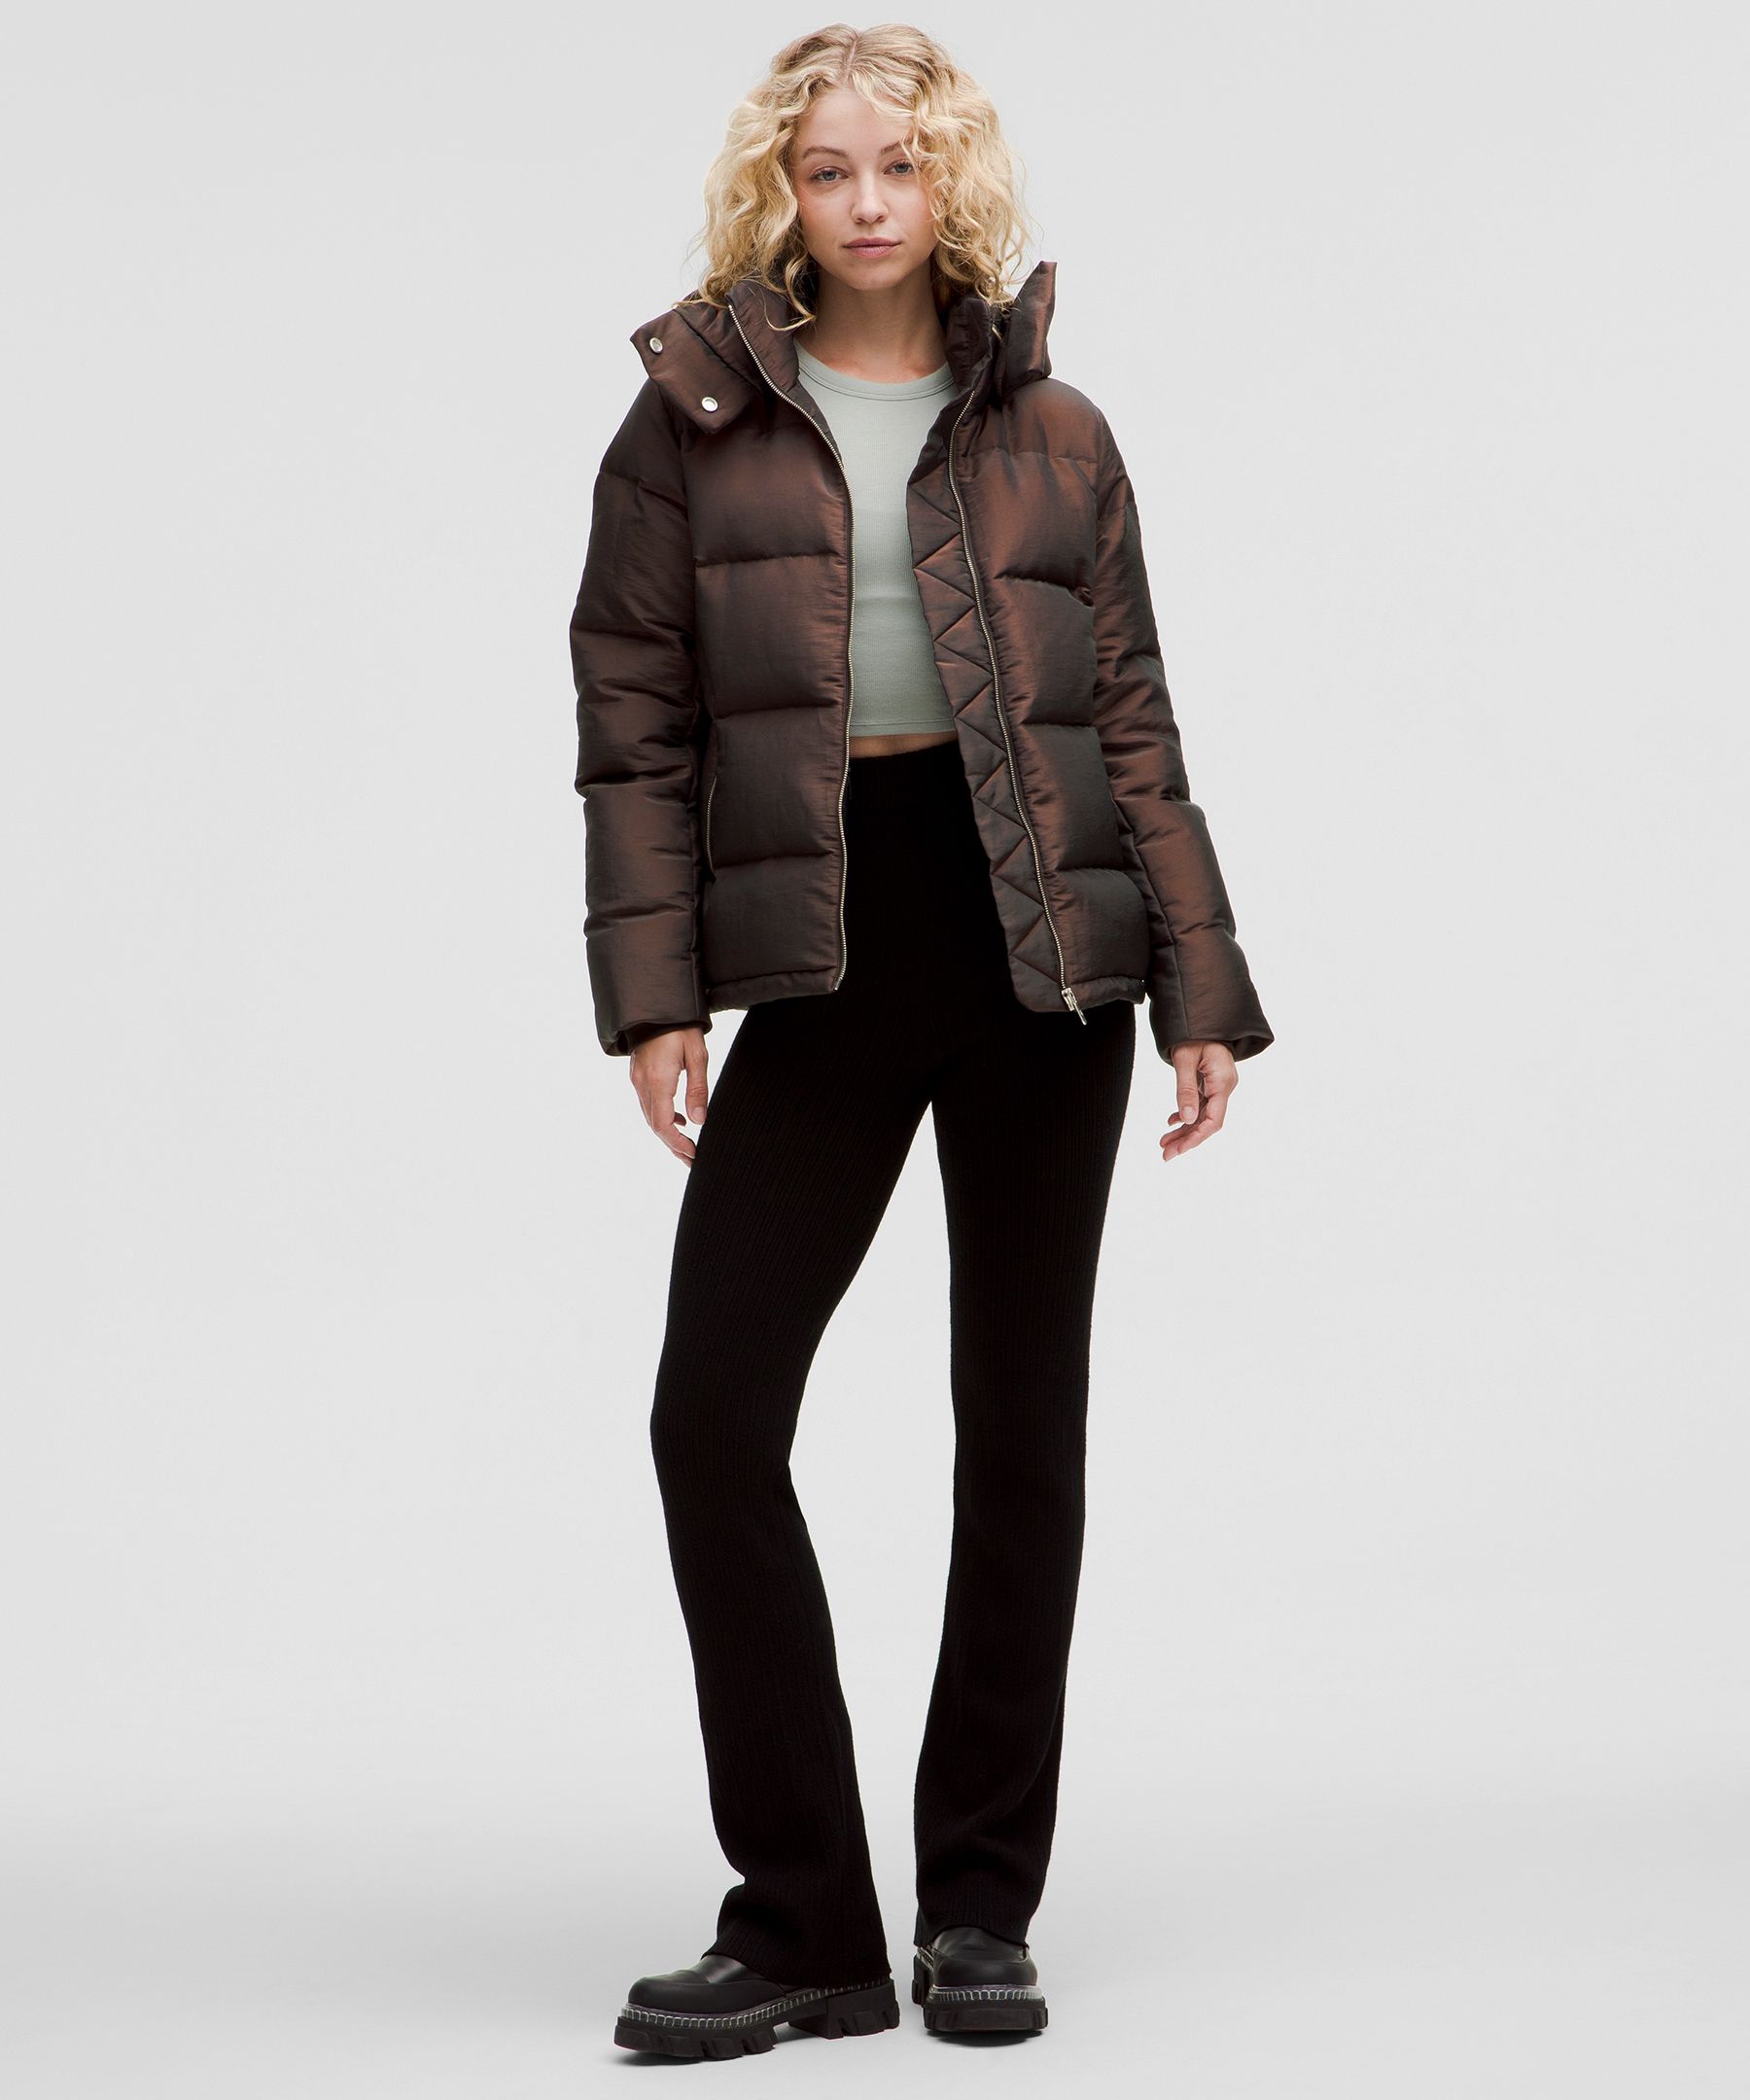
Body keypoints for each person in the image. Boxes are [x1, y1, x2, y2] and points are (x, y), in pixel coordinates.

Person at [569, 23, 1274, 2060]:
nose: (865, 200)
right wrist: (656, 992)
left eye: (898, 164)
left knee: (1020, 1431)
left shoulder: (1059, 432)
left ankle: (978, 1911)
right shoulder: (688, 424)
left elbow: (1129, 717)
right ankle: (805, 1921)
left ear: (950, 180)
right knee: (715, 1416)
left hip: (1045, 943)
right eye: (827, 169)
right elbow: (633, 718)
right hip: (826, 933)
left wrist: (1202, 986)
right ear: (778, 192)